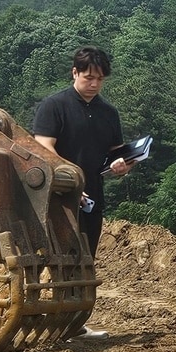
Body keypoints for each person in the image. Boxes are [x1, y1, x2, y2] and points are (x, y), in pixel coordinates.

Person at [31, 46, 132, 255]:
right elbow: (42, 147)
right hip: (56, 197)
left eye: (100, 79)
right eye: (89, 78)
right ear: (75, 72)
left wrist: (123, 164)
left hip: (92, 198)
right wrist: (71, 181)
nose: (94, 84)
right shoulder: (54, 106)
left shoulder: (109, 113)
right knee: (58, 260)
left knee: (86, 260)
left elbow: (117, 152)